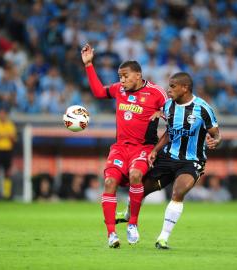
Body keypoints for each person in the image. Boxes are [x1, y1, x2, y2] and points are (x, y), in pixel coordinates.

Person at [81, 43, 167, 248]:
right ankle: (111, 234)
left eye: (125, 76)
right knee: (109, 182)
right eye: (120, 76)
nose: (122, 80)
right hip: (120, 147)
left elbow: (172, 112)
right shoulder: (119, 90)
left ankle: (133, 224)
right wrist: (89, 65)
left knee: (136, 175)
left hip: (144, 148)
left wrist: (163, 113)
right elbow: (99, 92)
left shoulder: (156, 92)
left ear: (138, 75)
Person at [146, 72, 221, 249]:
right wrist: (155, 150)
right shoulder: (168, 106)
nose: (168, 89)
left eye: (172, 86)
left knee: (178, 192)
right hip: (169, 157)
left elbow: (216, 134)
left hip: (192, 160)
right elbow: (169, 132)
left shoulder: (203, 108)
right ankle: (128, 216)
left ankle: (162, 238)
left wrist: (216, 141)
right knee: (143, 187)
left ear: (185, 88)